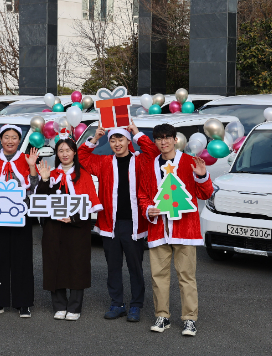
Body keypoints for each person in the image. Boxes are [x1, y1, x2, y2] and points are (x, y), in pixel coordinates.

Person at [78, 122, 159, 322]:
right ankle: (117, 304)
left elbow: (153, 151)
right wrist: (95, 139)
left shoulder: (141, 161)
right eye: (112, 140)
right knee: (113, 267)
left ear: (127, 140)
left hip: (134, 224)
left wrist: (137, 132)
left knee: (135, 267)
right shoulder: (105, 162)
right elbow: (82, 157)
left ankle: (136, 305)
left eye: (120, 139)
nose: (116, 143)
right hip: (109, 224)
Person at [138, 123, 213, 337]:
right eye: (159, 138)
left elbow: (206, 194)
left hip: (185, 230)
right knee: (158, 276)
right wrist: (147, 210)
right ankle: (162, 316)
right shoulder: (149, 165)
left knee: (186, 277)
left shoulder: (190, 162)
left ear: (175, 139)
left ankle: (190, 319)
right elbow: (143, 195)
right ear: (155, 142)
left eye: (167, 137)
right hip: (158, 229)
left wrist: (202, 175)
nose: (164, 142)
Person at [36, 132, 102, 321]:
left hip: (76, 229)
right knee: (54, 263)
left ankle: (74, 306)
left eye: (68, 150)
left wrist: (73, 218)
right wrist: (45, 179)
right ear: (56, 153)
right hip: (53, 228)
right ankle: (58, 305)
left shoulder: (84, 176)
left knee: (77, 265)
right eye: (61, 150)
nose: (64, 154)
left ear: (74, 152)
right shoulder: (52, 174)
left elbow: (90, 203)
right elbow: (40, 201)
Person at [0, 125, 39, 318]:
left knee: (22, 259)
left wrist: (32, 166)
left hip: (21, 216)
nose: (10, 141)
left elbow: (35, 186)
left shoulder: (26, 160)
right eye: (7, 137)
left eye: (14, 137)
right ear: (1, 140)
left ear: (19, 140)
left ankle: (23, 303)